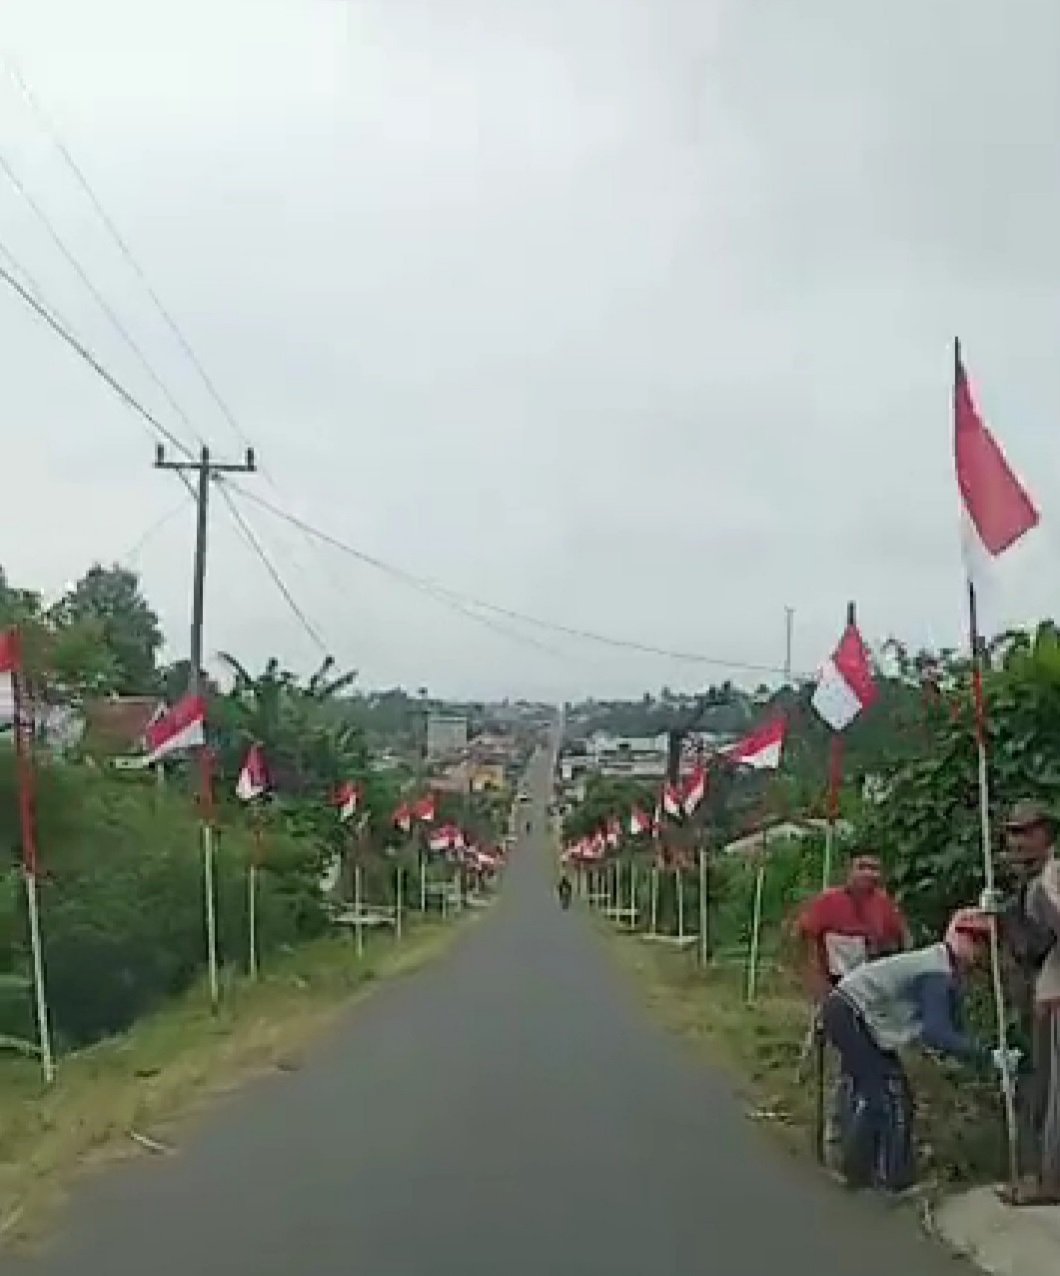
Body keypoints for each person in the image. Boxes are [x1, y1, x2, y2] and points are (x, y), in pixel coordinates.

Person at [822, 908, 1016, 1193]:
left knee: (881, 1095)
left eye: (986, 944)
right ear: (959, 938)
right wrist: (989, 1056)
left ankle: (859, 1172)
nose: (981, 952)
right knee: (889, 1098)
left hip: (860, 1015)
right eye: (977, 942)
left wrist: (983, 1055)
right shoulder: (936, 971)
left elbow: (953, 1029)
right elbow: (937, 1033)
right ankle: (891, 1181)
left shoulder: (944, 969)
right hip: (852, 1012)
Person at [795, 853, 910, 1166]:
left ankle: (862, 1149)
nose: (869, 875)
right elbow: (805, 941)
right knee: (836, 1068)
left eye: (875, 868)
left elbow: (899, 944)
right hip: (834, 992)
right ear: (849, 872)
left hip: (870, 998)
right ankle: (832, 1145)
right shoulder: (828, 904)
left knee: (863, 1069)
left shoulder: (884, 906)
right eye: (863, 868)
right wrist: (816, 984)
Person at [998, 799, 1060, 1206]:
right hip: (1039, 992)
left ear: (1046, 834)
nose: (1018, 841)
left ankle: (1049, 1181)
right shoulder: (1029, 884)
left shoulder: (1051, 879)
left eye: (1027, 832)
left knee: (1052, 1092)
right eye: (1013, 833)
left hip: (1053, 993)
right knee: (1040, 1086)